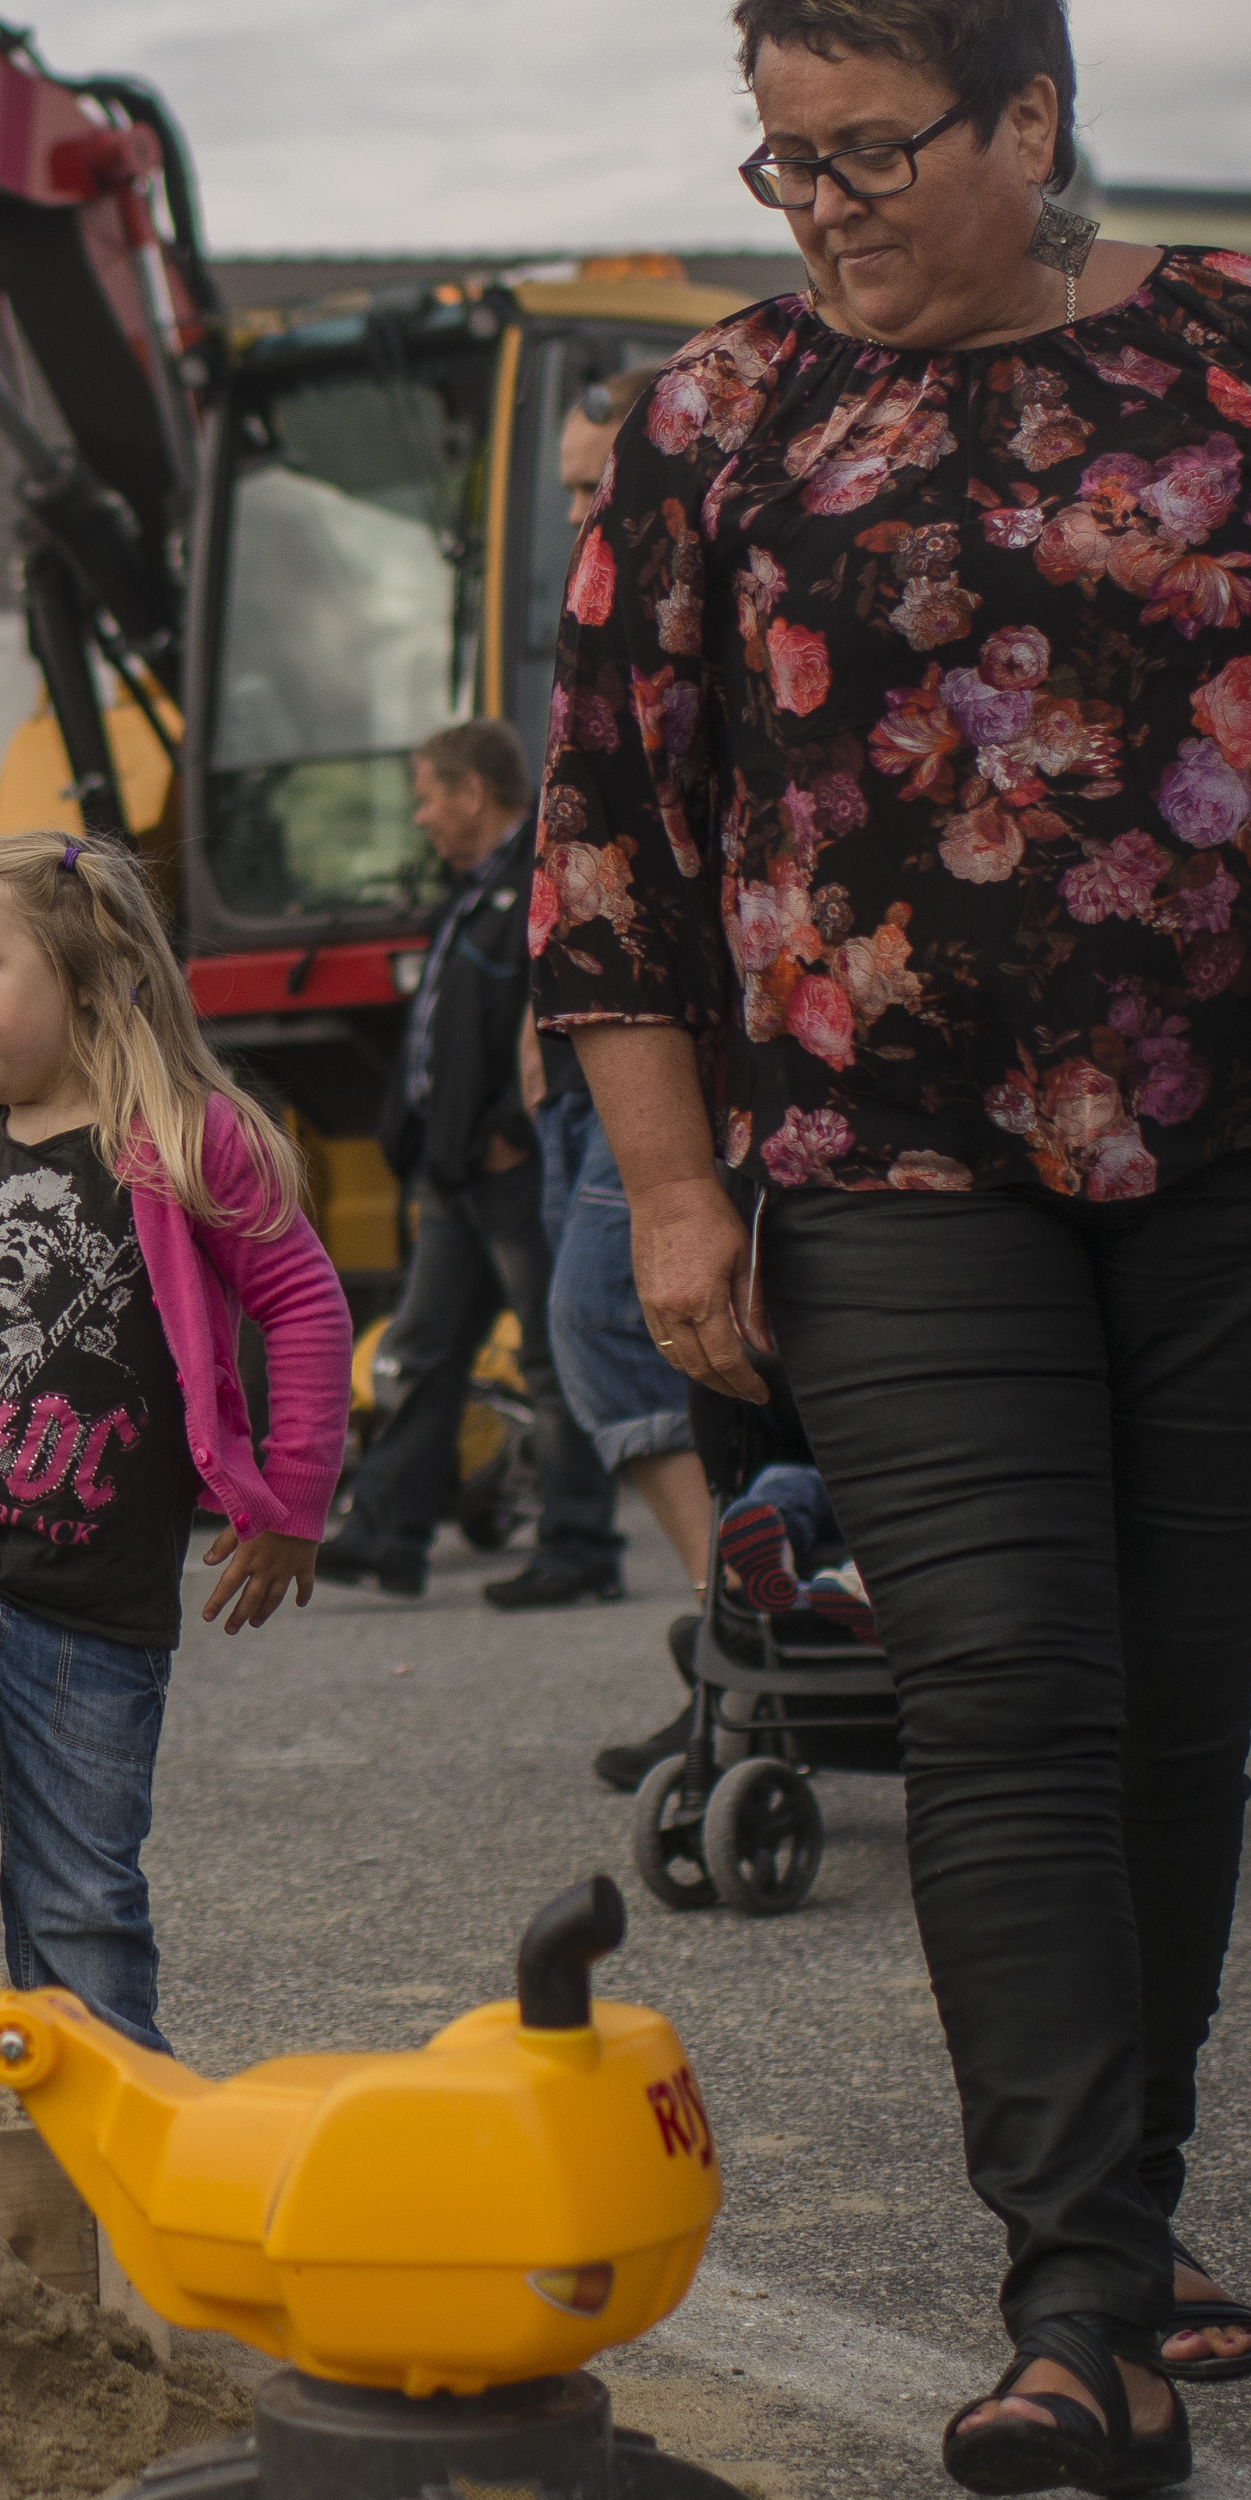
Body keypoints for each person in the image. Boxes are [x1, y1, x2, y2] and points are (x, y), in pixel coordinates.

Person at [536, 0, 1251, 2496]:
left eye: (869, 150)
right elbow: (613, 840)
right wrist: (666, 1198)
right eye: (784, 161)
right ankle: (1072, 2302)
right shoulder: (709, 425)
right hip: (884, 1142)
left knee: (1176, 1687)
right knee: (996, 1682)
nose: (827, 205)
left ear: (1033, 120)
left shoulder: (1249, 351)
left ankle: (1130, 2197)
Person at [0, 829, 344, 2047]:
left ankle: (108, 2131)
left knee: (80, 1897)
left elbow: (304, 1304)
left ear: (94, 975)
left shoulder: (194, 1133)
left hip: (98, 1603)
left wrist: (289, 1500)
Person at [314, 718, 619, 1604]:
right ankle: (385, 1533)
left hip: (506, 1168)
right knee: (422, 1348)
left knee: (550, 1358)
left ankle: (578, 1546)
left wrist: (507, 1135)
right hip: (458, 1172)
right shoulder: (473, 894)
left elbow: (546, 1019)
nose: (418, 818)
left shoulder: (535, 882)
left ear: (471, 794)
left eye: (426, 795)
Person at [523, 369, 720, 1629]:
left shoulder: (690, 611)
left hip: (673, 1044)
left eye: (603, 480)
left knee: (600, 1313)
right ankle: (750, 1627)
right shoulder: (597, 624)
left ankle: (743, 1610)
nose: (589, 509)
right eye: (575, 491)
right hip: (600, 1046)